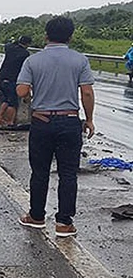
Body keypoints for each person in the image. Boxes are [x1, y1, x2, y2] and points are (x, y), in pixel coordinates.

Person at [16, 16, 95, 238]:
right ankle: (64, 223)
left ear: (46, 36)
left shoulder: (33, 61)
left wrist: (32, 95)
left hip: (41, 122)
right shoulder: (80, 60)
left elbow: (22, 91)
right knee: (68, 173)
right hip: (70, 122)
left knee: (39, 172)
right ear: (70, 36)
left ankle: (37, 216)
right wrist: (89, 120)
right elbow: (87, 92)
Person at [0, 35, 32, 126]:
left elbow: (7, 44)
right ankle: (10, 122)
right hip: (12, 79)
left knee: (6, 99)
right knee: (13, 102)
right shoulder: (25, 53)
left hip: (2, 77)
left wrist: (15, 42)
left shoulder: (9, 48)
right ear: (28, 44)